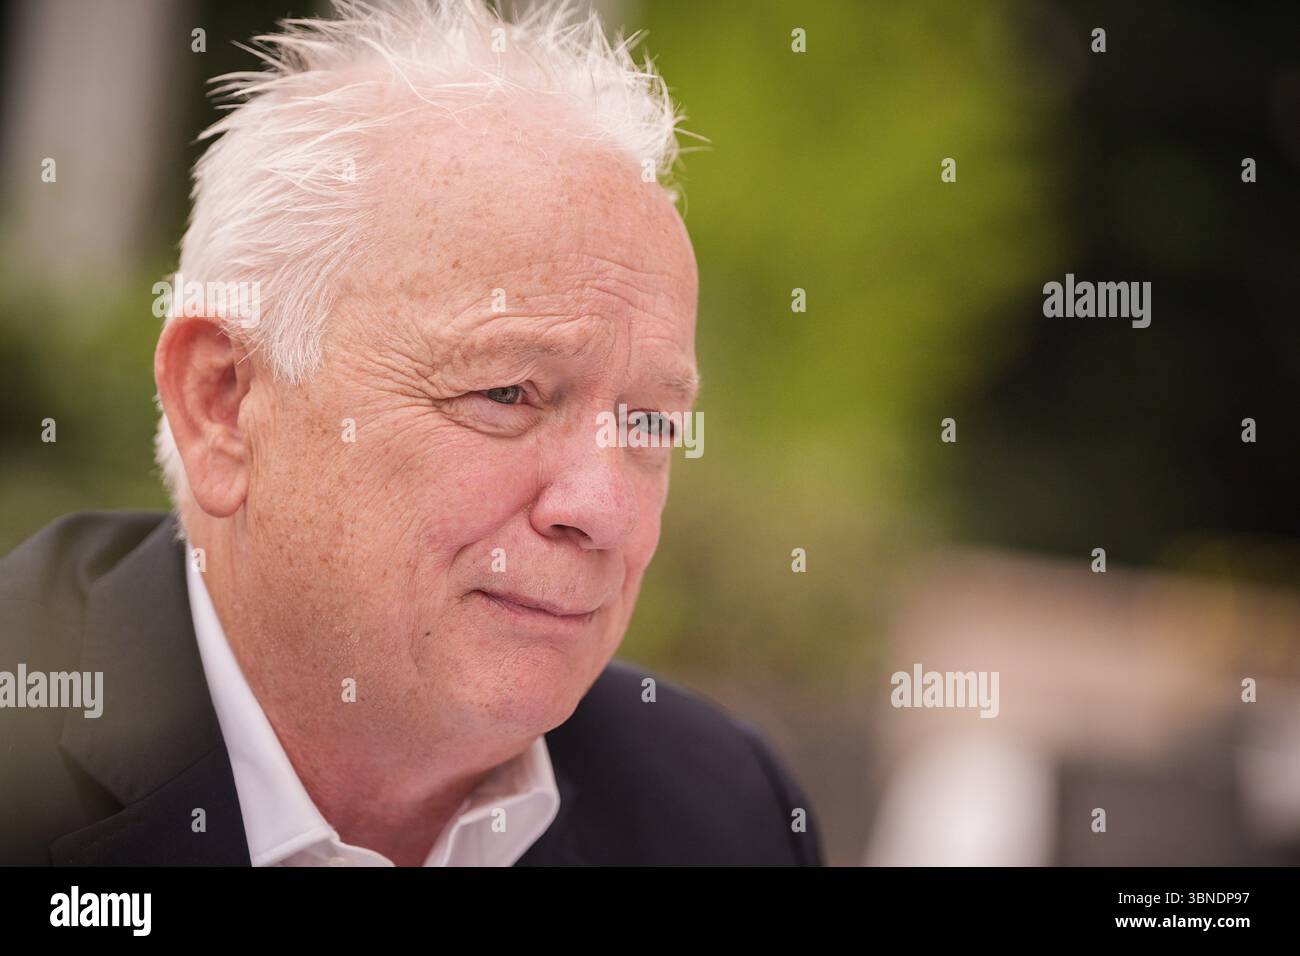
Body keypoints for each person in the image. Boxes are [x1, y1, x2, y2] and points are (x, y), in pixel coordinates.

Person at [0, 0, 822, 866]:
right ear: (225, 405)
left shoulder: (724, 813)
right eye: (507, 391)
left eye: (652, 421)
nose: (606, 510)